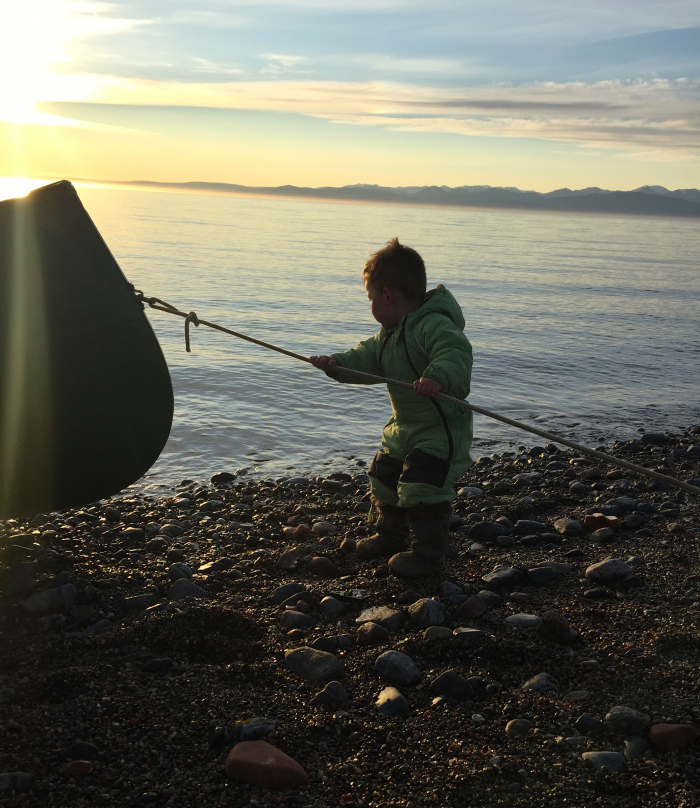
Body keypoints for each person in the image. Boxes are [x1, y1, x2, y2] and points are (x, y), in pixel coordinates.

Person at [310, 237, 473, 578]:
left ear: (387, 295)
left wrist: (436, 376)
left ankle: (429, 555)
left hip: (439, 430)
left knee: (423, 486)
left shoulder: (432, 324)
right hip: (404, 428)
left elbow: (454, 352)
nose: (370, 306)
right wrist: (336, 364)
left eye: (370, 298)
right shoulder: (388, 336)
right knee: (385, 475)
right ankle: (390, 535)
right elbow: (365, 359)